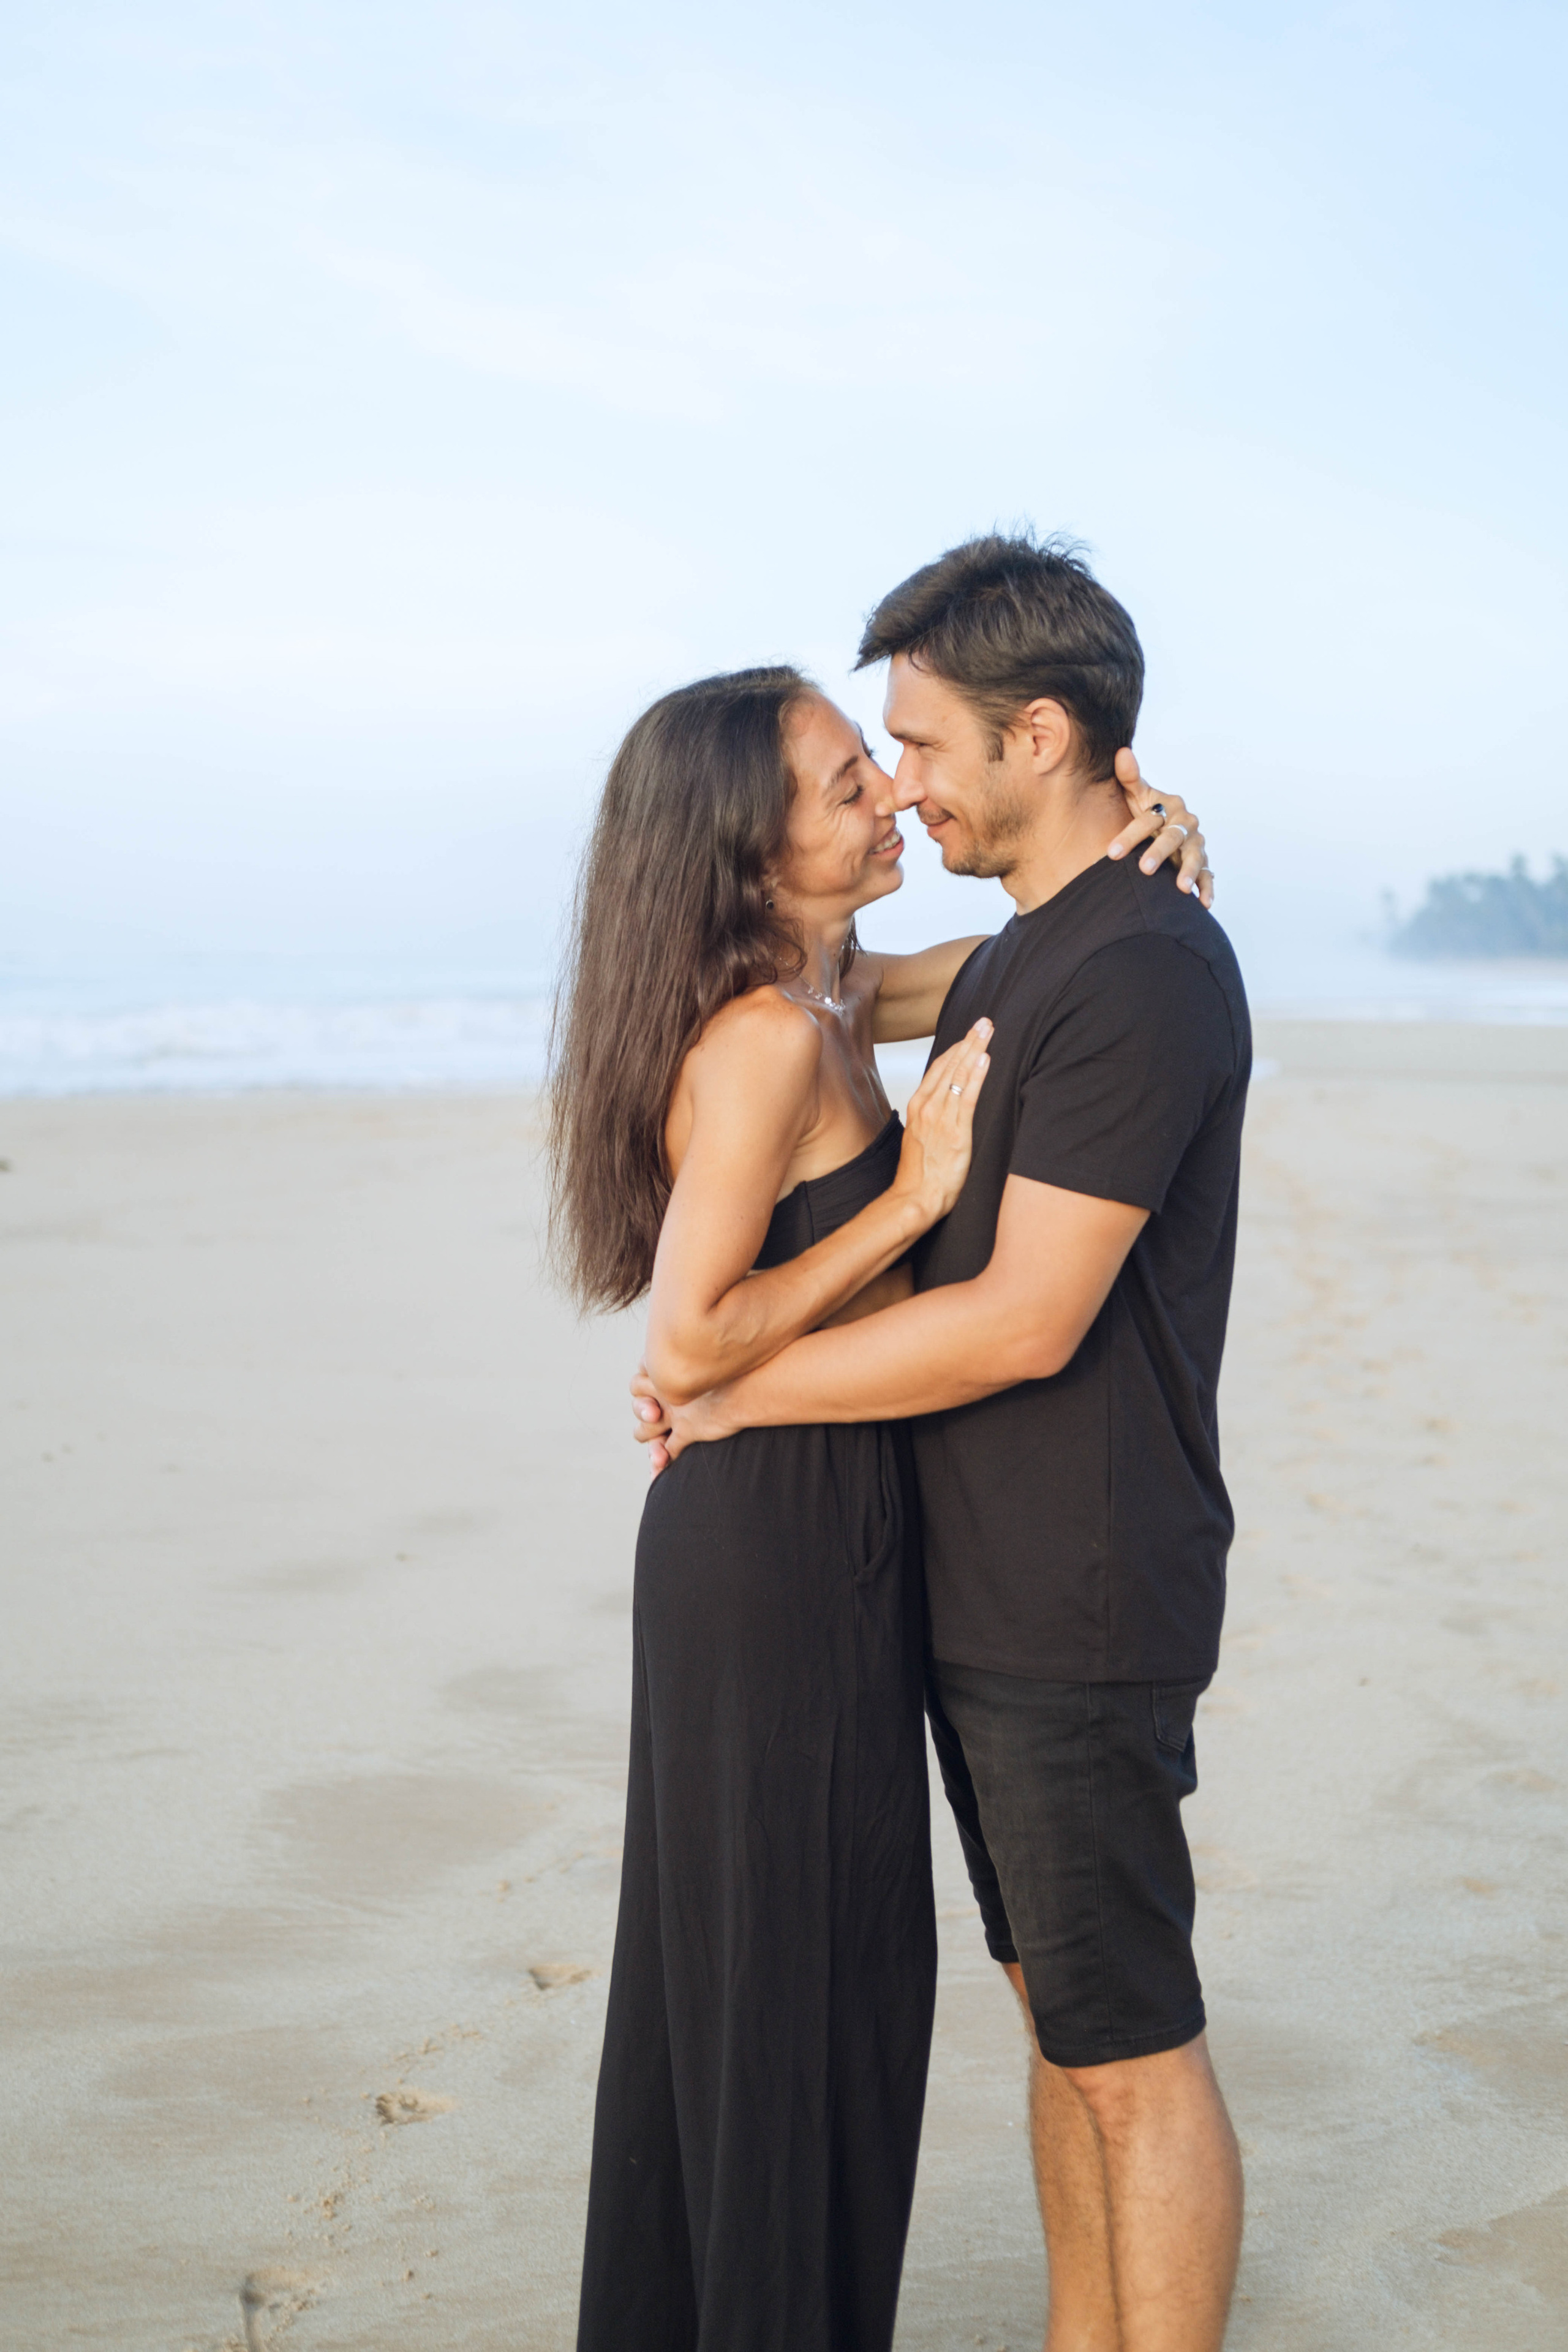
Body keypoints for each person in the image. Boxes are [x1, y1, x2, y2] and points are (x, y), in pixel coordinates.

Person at [549, 655, 1210, 2352]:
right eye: (850, 784)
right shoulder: (771, 1040)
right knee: (789, 1992)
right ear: (747, 852)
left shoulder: (841, 990)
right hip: (765, 1546)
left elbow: (1018, 966)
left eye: (887, 761)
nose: (894, 793)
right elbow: (691, 1338)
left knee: (810, 1980)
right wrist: (910, 1193)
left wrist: (1147, 840)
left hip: (828, 1530)